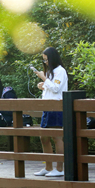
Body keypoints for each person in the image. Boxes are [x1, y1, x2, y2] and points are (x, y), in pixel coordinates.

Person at [33, 47, 68, 177]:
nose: (45, 62)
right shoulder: (50, 72)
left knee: (56, 137)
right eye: (44, 60)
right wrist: (42, 85)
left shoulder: (60, 71)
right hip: (47, 107)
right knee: (43, 137)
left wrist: (44, 79)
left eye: (47, 60)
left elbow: (56, 88)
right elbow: (49, 88)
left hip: (56, 107)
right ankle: (48, 167)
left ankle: (59, 169)